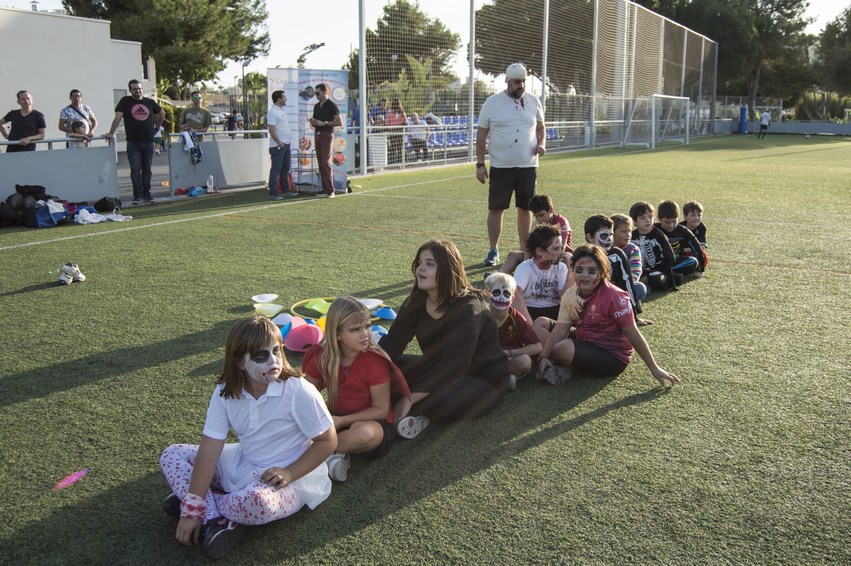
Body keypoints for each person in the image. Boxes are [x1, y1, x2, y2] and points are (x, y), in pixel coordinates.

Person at [159, 316, 336, 559]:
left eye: (276, 350)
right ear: (240, 362)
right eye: (261, 355)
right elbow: (210, 449)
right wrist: (192, 511)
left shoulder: (298, 389)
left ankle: (206, 505)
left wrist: (290, 472)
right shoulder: (224, 392)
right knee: (172, 455)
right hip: (243, 463)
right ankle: (213, 516)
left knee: (257, 503)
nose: (273, 361)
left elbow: (328, 441)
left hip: (289, 480)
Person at [379, 240, 510, 422]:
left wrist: (410, 397)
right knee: (388, 369)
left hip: (482, 378)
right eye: (419, 263)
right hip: (438, 368)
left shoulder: (470, 307)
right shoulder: (417, 301)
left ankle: (414, 410)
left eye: (430, 264)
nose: (421, 269)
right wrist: (364, 372)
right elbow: (392, 343)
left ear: (448, 269)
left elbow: (456, 363)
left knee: (438, 400)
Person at [303, 297, 418, 483]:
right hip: (335, 418)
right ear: (337, 333)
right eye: (355, 329)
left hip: (372, 422)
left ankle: (322, 453)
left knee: (364, 434)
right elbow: (305, 396)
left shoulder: (374, 361)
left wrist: (341, 421)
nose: (365, 334)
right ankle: (335, 454)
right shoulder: (322, 357)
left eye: (367, 326)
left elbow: (380, 410)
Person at [537, 244, 681, 386]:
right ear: (572, 270)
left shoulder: (615, 297)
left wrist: (654, 368)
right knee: (540, 323)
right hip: (584, 338)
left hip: (612, 355)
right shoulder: (570, 294)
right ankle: (551, 362)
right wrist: (544, 356)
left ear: (602, 272)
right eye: (579, 270)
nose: (585, 275)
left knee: (562, 349)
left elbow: (633, 333)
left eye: (592, 271)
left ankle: (563, 365)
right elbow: (561, 329)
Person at [476, 63, 546, 267]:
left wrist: (541, 144)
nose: (520, 85)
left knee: (525, 209)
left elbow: (541, 128)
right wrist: (480, 164)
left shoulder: (533, 101)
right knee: (496, 209)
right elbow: (481, 136)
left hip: (528, 166)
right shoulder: (492, 103)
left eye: (523, 81)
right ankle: (493, 250)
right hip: (501, 167)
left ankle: (524, 249)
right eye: (517, 82)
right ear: (507, 81)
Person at [104, 80, 165, 205]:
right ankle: (137, 196)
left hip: (148, 141)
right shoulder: (125, 101)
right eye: (134, 89)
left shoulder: (149, 102)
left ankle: (147, 194)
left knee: (147, 170)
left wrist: (157, 128)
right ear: (130, 90)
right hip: (133, 142)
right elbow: (118, 118)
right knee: (135, 170)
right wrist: (111, 132)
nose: (137, 91)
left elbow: (162, 113)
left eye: (139, 88)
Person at [584, 215, 647, 326]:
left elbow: (627, 284)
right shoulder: (582, 255)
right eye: (604, 235)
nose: (609, 239)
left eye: (611, 235)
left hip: (612, 299)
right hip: (585, 302)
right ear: (590, 237)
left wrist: (634, 317)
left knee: (639, 288)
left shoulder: (617, 254)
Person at [483, 272, 542, 390]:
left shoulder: (516, 317)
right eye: (496, 292)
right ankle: (503, 379)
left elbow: (538, 347)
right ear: (486, 295)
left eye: (506, 294)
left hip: (508, 361)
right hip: (485, 360)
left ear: (512, 299)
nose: (501, 297)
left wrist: (511, 353)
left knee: (524, 361)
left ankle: (493, 378)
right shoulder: (480, 315)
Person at [511, 224, 569, 343]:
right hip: (531, 312)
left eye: (561, 248)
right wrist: (530, 327)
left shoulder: (561, 268)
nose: (561, 252)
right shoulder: (526, 267)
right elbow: (515, 295)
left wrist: (571, 270)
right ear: (540, 251)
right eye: (556, 249)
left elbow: (565, 298)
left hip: (555, 313)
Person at [499, 193, 572, 274]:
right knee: (513, 255)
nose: (539, 219)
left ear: (550, 210)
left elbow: (561, 247)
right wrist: (527, 264)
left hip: (558, 256)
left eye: (541, 215)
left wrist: (547, 257)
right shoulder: (537, 224)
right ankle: (497, 276)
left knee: (567, 258)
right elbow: (528, 246)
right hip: (541, 255)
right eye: (536, 216)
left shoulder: (562, 222)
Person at [629, 201, 676, 292]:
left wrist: (652, 268)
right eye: (643, 218)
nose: (648, 220)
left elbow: (670, 258)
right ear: (634, 221)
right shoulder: (631, 236)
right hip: (637, 271)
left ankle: (636, 285)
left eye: (650, 217)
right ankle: (641, 286)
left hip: (657, 271)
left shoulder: (658, 235)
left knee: (657, 277)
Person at [656, 200, 705, 279]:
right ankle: (667, 273)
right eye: (667, 222)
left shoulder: (683, 230)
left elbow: (697, 248)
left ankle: (663, 272)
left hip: (675, 262)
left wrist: (700, 269)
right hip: (656, 262)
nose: (671, 225)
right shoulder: (654, 229)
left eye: (674, 221)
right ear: (659, 218)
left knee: (693, 261)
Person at [308, 83, 342, 198]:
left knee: (326, 162)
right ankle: (324, 189)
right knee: (321, 162)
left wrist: (325, 123)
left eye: (317, 93)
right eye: (315, 93)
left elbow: (339, 122)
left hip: (327, 135)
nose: (316, 95)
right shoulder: (317, 106)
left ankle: (331, 190)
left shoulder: (332, 105)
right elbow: (317, 121)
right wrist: (313, 121)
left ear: (325, 92)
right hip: (317, 134)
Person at [267, 90, 296, 200]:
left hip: (285, 144)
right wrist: (279, 142)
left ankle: (285, 190)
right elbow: (271, 129)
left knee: (285, 168)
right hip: (278, 146)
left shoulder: (281, 110)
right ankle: (273, 193)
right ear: (279, 99)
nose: (286, 99)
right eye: (284, 97)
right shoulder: (273, 112)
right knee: (276, 169)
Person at [611, 213, 647, 302]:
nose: (628, 235)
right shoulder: (605, 248)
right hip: (608, 286)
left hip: (626, 285)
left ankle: (621, 301)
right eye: (624, 231)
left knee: (641, 288)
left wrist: (629, 284)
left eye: (630, 231)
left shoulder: (633, 249)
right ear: (612, 232)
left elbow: (636, 270)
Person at [385, 98, 407, 164]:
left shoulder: (402, 112)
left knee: (399, 147)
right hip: (392, 131)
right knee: (393, 147)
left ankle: (400, 161)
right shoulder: (389, 112)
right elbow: (387, 123)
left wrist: (403, 122)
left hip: (399, 131)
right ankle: (392, 162)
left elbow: (405, 121)